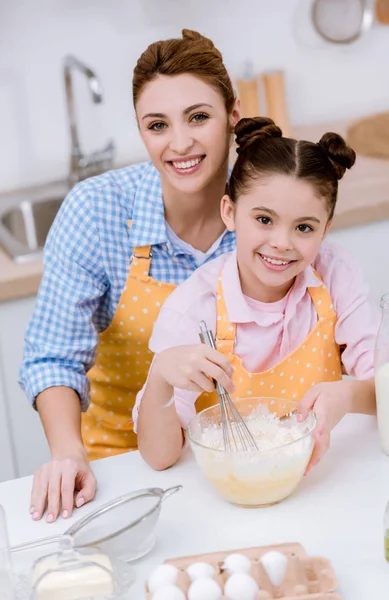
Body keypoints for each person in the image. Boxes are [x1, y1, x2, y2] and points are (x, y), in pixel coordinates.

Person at [19, 29, 240, 523]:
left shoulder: (265, 204)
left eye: (199, 117)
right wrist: (67, 453)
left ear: (233, 116)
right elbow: (53, 357)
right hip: (124, 469)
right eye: (157, 125)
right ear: (141, 131)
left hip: (245, 452)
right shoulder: (97, 212)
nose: (180, 143)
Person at [133, 116, 379, 473]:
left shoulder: (334, 273)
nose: (281, 242)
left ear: (326, 230)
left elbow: (385, 382)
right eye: (264, 219)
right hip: (232, 482)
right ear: (230, 213)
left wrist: (347, 395)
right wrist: (160, 378)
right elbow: (159, 456)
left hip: (321, 477)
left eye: (304, 227)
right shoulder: (194, 308)